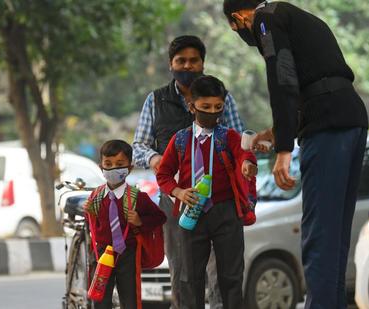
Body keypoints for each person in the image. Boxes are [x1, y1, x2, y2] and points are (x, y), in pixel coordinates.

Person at [222, 1, 369, 308]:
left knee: (319, 238)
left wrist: (284, 149)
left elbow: (283, 78)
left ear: (238, 18)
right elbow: (312, 81)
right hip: (351, 119)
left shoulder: (264, 20)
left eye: (236, 29)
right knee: (334, 238)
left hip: (327, 126)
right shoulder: (295, 16)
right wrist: (275, 133)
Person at [132, 35, 245, 309]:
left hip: (221, 202)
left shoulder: (221, 97)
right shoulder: (156, 100)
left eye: (194, 61)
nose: (188, 66)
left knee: (224, 274)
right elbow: (138, 147)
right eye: (181, 61)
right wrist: (157, 158)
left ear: (203, 64)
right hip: (176, 204)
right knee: (183, 274)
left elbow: (239, 141)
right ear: (171, 64)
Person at [156, 75, 257, 309]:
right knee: (190, 278)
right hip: (192, 214)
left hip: (226, 212)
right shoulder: (180, 140)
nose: (212, 112)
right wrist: (179, 192)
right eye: (205, 107)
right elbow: (163, 175)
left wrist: (247, 164)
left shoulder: (229, 136)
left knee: (231, 277)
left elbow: (244, 154)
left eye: (218, 108)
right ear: (192, 107)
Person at [85, 140, 167, 309]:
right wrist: (90, 214)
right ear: (101, 167)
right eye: (108, 164)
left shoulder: (138, 197)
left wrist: (140, 221)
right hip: (101, 254)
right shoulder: (96, 196)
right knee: (100, 300)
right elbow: (92, 224)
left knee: (130, 299)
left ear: (129, 168)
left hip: (128, 253)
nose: (113, 168)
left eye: (119, 164)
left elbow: (160, 217)